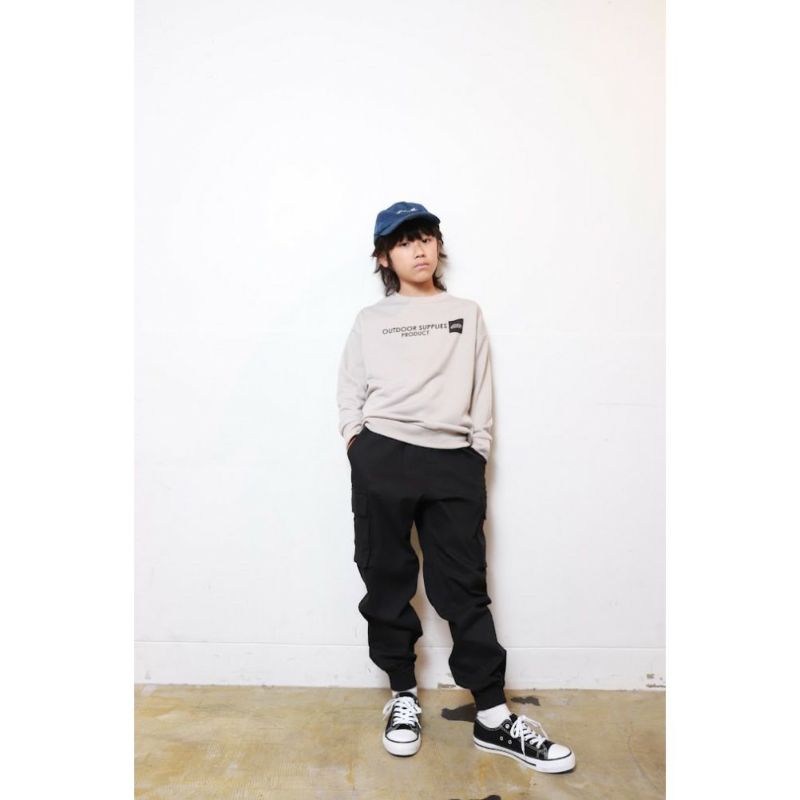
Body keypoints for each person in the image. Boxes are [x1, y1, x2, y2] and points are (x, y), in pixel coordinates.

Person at [336, 200, 576, 773]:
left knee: (463, 587)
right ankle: (402, 695)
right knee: (386, 579)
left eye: (426, 238)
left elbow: (482, 388)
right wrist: (357, 445)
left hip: (452, 462)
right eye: (404, 242)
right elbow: (349, 389)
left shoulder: (465, 313)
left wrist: (477, 452)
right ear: (384, 257)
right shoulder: (370, 320)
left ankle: (492, 715)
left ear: (438, 246)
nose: (418, 249)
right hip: (383, 455)